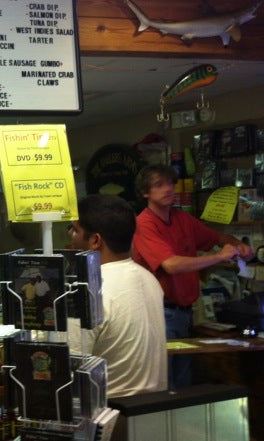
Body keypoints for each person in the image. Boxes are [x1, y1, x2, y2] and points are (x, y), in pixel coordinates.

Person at [131, 164, 253, 388]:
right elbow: (171, 265)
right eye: (159, 185)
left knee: (183, 382)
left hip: (185, 313)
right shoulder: (144, 224)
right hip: (160, 313)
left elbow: (217, 237)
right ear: (145, 192)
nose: (168, 189)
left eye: (171, 183)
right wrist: (219, 257)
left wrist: (238, 245)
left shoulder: (181, 219)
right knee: (163, 384)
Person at [68, 194, 167, 398]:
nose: (71, 236)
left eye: (75, 230)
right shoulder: (149, 279)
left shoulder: (87, 291)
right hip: (151, 410)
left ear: (95, 240)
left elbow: (69, 368)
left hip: (109, 414)